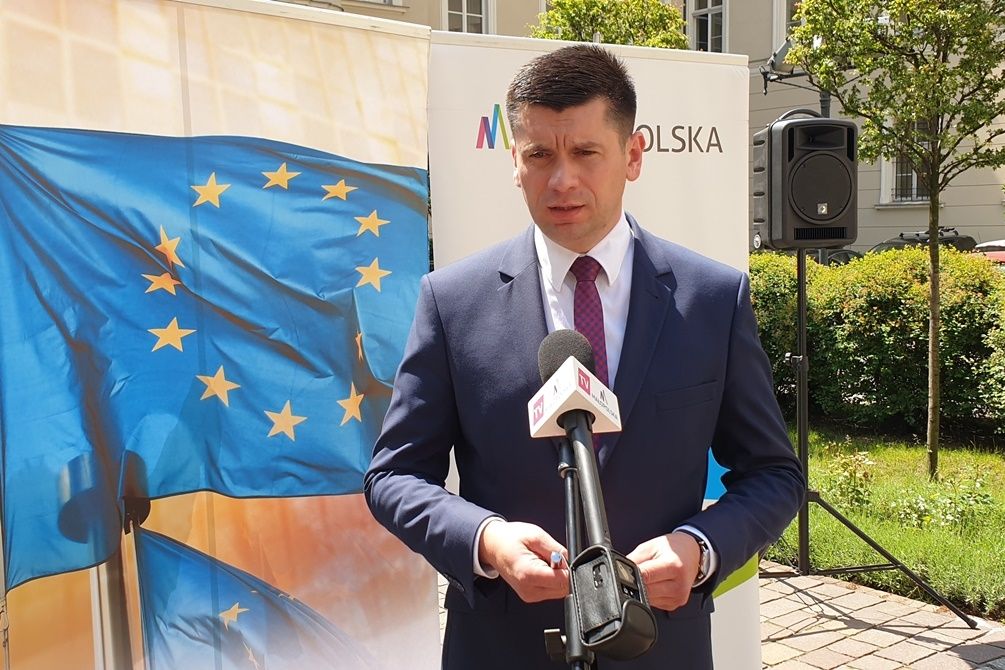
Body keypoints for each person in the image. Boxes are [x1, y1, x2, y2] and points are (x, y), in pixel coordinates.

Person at [364, 44, 804, 669]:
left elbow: (774, 474)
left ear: (633, 155)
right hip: (502, 648)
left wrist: (700, 547)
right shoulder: (451, 301)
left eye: (586, 153)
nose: (562, 180)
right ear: (515, 163)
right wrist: (488, 541)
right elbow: (394, 477)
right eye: (539, 155)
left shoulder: (712, 299)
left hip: (661, 648)